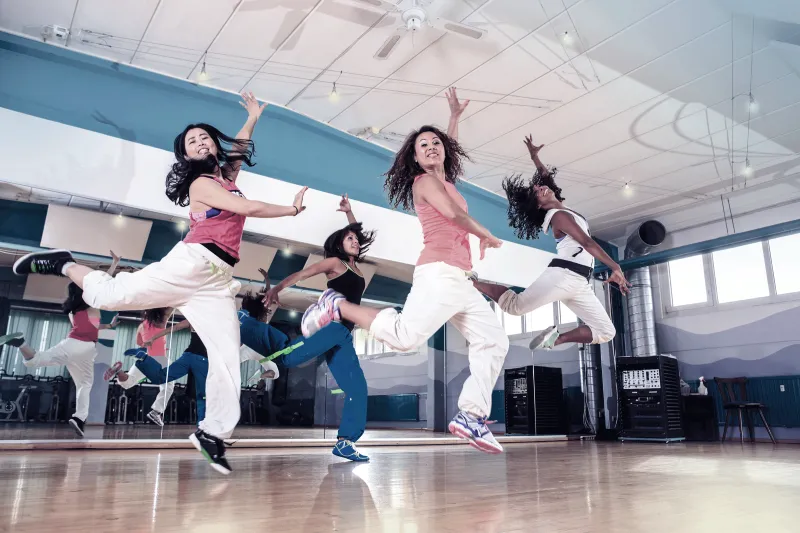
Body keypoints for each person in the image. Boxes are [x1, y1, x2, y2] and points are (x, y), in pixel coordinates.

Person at [12, 92, 308, 475]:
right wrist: (291, 209)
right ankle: (65, 263)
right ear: (185, 155)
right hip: (192, 263)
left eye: (205, 138)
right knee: (110, 295)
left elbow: (237, 150)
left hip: (217, 280)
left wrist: (252, 117)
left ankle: (212, 433)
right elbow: (248, 208)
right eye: (192, 141)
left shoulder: (225, 177)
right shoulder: (202, 184)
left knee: (225, 355)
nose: (200, 142)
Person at [300, 88, 510, 454]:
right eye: (423, 145)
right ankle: (337, 306)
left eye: (436, 143)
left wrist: (454, 119)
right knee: (404, 337)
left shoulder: (445, 180)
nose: (431, 147)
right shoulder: (424, 182)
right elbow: (453, 215)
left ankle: (470, 416)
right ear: (414, 157)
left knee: (494, 341)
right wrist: (485, 234)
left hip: (461, 280)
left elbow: (448, 153)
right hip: (438, 273)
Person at [471, 135, 629, 350]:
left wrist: (535, 157)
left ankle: (555, 339)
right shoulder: (558, 216)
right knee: (515, 307)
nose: (540, 188)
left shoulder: (563, 208)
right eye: (537, 193)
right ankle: (473, 283)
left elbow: (545, 178)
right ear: (538, 205)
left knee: (606, 332)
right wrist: (615, 266)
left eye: (539, 186)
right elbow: (587, 243)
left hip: (580, 281)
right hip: (564, 276)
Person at [259, 193, 374, 461]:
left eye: (356, 240)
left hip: (344, 335)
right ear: (339, 244)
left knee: (357, 388)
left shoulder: (356, 267)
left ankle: (345, 442)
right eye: (349, 239)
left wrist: (349, 212)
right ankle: (265, 348)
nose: (355, 241)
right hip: (332, 327)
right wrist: (277, 288)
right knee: (292, 359)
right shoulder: (335, 263)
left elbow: (358, 232)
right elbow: (303, 274)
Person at [0, 253, 119, 437]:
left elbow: (93, 326)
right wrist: (114, 264)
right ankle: (79, 417)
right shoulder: (92, 306)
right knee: (85, 385)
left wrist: (109, 326)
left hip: (71, 344)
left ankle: (22, 342)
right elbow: (100, 285)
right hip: (87, 349)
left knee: (36, 360)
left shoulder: (73, 311)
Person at [103, 307, 175, 427]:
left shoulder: (142, 326)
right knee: (168, 386)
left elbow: (139, 343)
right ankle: (156, 411)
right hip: (160, 359)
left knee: (127, 383)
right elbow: (172, 307)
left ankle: (119, 370)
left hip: (145, 358)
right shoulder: (162, 320)